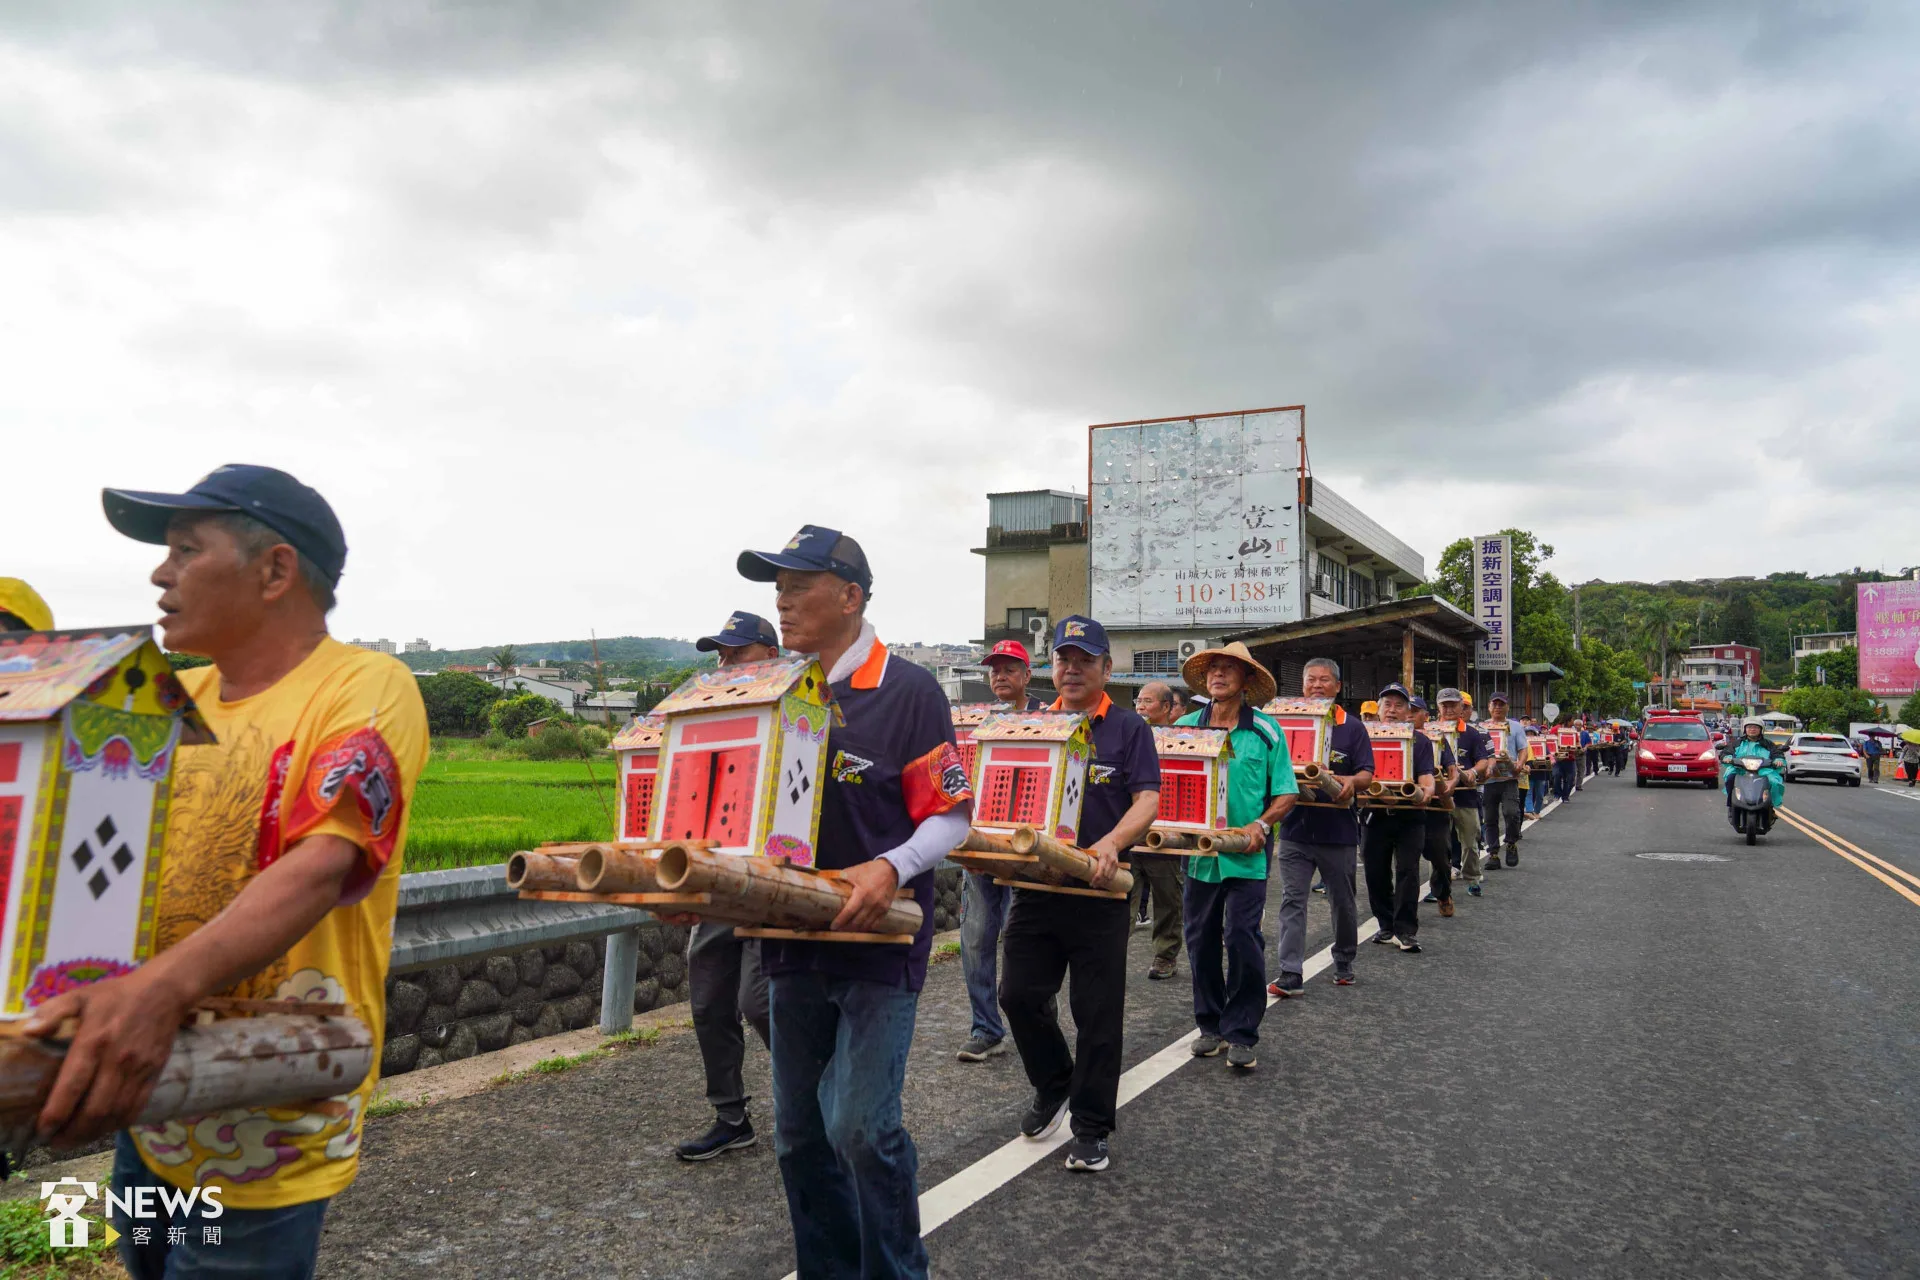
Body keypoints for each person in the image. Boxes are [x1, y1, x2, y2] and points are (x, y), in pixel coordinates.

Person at [21, 466, 428, 1280]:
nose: (159, 574)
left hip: (268, 1117)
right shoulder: (168, 699)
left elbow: (323, 861)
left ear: (275, 571)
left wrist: (155, 992)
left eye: (184, 550)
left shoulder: (364, 686)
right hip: (155, 1094)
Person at [737, 524, 974, 1278]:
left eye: (796, 586)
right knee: (800, 1134)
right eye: (776, 587)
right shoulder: (775, 690)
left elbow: (951, 814)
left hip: (879, 943)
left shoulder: (908, 689)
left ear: (849, 596)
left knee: (860, 1129)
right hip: (791, 943)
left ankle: (900, 1271)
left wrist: (891, 867)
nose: (782, 601)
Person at [1000, 616, 1158, 1173]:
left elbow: (1147, 800)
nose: (1071, 669)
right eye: (1063, 659)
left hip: (1100, 890)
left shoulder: (1127, 729)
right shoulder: (1035, 724)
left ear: (1106, 669)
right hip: (1038, 887)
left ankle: (1091, 1126)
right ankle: (1054, 1082)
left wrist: (1112, 843)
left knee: (1097, 1014)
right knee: (1017, 995)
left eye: (1084, 660)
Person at [671, 612, 782, 1160]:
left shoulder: (794, 714)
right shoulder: (710, 721)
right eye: (720, 655)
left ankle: (809, 1094)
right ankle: (731, 1116)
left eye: (736, 653)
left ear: (770, 653)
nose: (724, 664)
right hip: (718, 878)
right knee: (710, 1001)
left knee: (759, 1001)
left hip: (774, 882)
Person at [1175, 643, 1296, 1069]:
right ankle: (1210, 1026)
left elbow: (1286, 792)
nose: (1218, 676)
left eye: (1229, 670)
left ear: (1246, 681)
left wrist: (1261, 825)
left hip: (1247, 854)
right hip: (1198, 855)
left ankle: (1242, 1030)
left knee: (1242, 937)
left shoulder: (1266, 730)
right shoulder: (1185, 727)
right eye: (1213, 670)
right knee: (1199, 940)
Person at [956, 638, 1047, 1063]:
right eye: (994, 669)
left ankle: (1039, 1022)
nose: (1000, 676)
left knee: (1022, 939)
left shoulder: (1054, 719)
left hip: (1027, 849)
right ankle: (986, 1028)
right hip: (979, 846)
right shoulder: (975, 722)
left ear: (1027, 675)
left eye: (1010, 668)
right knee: (976, 938)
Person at [1272, 657, 1374, 992]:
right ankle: (1290, 972)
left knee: (1343, 902)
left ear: (1339, 687)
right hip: (1294, 828)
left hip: (1338, 831)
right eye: (1311, 679)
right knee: (1292, 899)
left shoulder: (1353, 727)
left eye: (1325, 680)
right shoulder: (1283, 722)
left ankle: (1344, 959)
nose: (1317, 685)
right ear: (1301, 685)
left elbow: (1366, 773)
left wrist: (1349, 782)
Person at [1360, 685, 1438, 953]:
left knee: (1408, 871)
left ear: (1409, 712)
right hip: (1374, 813)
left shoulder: (1421, 741)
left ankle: (1406, 930)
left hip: (1410, 816)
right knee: (1375, 871)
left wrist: (1428, 789)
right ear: (1379, 709)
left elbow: (1427, 775)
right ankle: (1385, 924)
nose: (1392, 710)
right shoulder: (1364, 737)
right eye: (1387, 705)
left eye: (1399, 706)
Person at [1129, 680, 1188, 980]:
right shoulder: (1128, 735)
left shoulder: (1181, 740)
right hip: (1128, 831)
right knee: (1121, 896)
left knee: (1167, 898)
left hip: (1164, 832)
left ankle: (1165, 956)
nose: (1140, 706)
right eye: (1138, 700)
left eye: (1148, 701)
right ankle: (1107, 953)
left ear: (1167, 708)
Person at [1435, 690, 1493, 897]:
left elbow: (1483, 760)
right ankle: (1439, 886)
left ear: (1462, 707)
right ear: (1438, 707)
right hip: (1438, 797)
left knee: (1470, 839)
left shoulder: (1472, 733)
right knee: (1438, 844)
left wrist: (1472, 772)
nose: (1449, 709)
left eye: (1453, 705)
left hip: (1465, 795)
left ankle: (1472, 878)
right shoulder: (1430, 731)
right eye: (1445, 705)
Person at [1410, 698, 1460, 917]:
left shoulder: (1437, 738)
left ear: (1425, 716)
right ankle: (1405, 911)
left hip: (1435, 806)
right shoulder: (1388, 735)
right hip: (1406, 806)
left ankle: (1443, 892)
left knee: (1440, 855)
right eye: (1407, 711)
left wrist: (1450, 784)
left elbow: (1452, 768)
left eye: (1415, 711)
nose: (1410, 715)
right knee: (1406, 861)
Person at [1480, 693, 1529, 868]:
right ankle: (1493, 854)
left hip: (1509, 778)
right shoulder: (1481, 727)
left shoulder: (1516, 727)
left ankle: (1511, 843)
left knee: (1511, 813)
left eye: (1502, 705)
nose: (1498, 707)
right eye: (1495, 704)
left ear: (1508, 707)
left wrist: (1520, 764)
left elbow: (1523, 749)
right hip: (1488, 781)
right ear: (1489, 706)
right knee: (1490, 818)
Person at [1722, 718, 1786, 809]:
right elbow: (1727, 752)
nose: (1752, 729)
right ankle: (1731, 804)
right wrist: (1727, 757)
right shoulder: (1737, 743)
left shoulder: (1769, 744)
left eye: (1756, 727)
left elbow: (1777, 753)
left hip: (1763, 771)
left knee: (1774, 782)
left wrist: (1778, 760)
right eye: (1749, 727)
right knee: (1730, 778)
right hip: (1740, 770)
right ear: (1744, 729)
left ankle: (1770, 805)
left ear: (1761, 729)